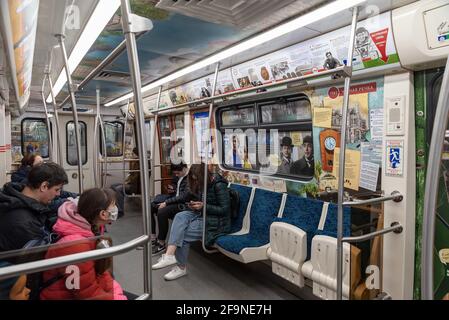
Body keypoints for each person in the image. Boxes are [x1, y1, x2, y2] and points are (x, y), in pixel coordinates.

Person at [40, 188, 127, 300]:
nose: (116, 208)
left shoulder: (91, 229)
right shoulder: (74, 245)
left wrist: (116, 292)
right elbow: (86, 293)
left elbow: (101, 272)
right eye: (113, 205)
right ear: (103, 214)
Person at [152, 163, 231, 280]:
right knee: (180, 216)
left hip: (217, 221)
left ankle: (181, 267)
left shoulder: (219, 186)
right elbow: (198, 198)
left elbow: (224, 210)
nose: (196, 183)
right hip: (202, 213)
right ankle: (169, 255)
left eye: (197, 180)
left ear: (204, 176)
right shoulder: (202, 183)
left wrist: (203, 206)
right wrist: (195, 205)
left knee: (182, 234)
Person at [0, 162, 68, 253]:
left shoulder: (15, 200)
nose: (58, 194)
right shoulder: (25, 223)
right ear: (44, 186)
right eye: (57, 189)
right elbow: (41, 256)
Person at [152, 162, 189, 255]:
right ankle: (153, 237)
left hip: (182, 204)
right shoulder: (178, 175)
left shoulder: (189, 178)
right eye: (175, 173)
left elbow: (183, 197)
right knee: (151, 206)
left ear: (185, 168)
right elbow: (175, 185)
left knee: (162, 212)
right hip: (174, 199)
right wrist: (172, 188)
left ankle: (161, 243)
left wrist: (166, 202)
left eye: (178, 173)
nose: (176, 175)